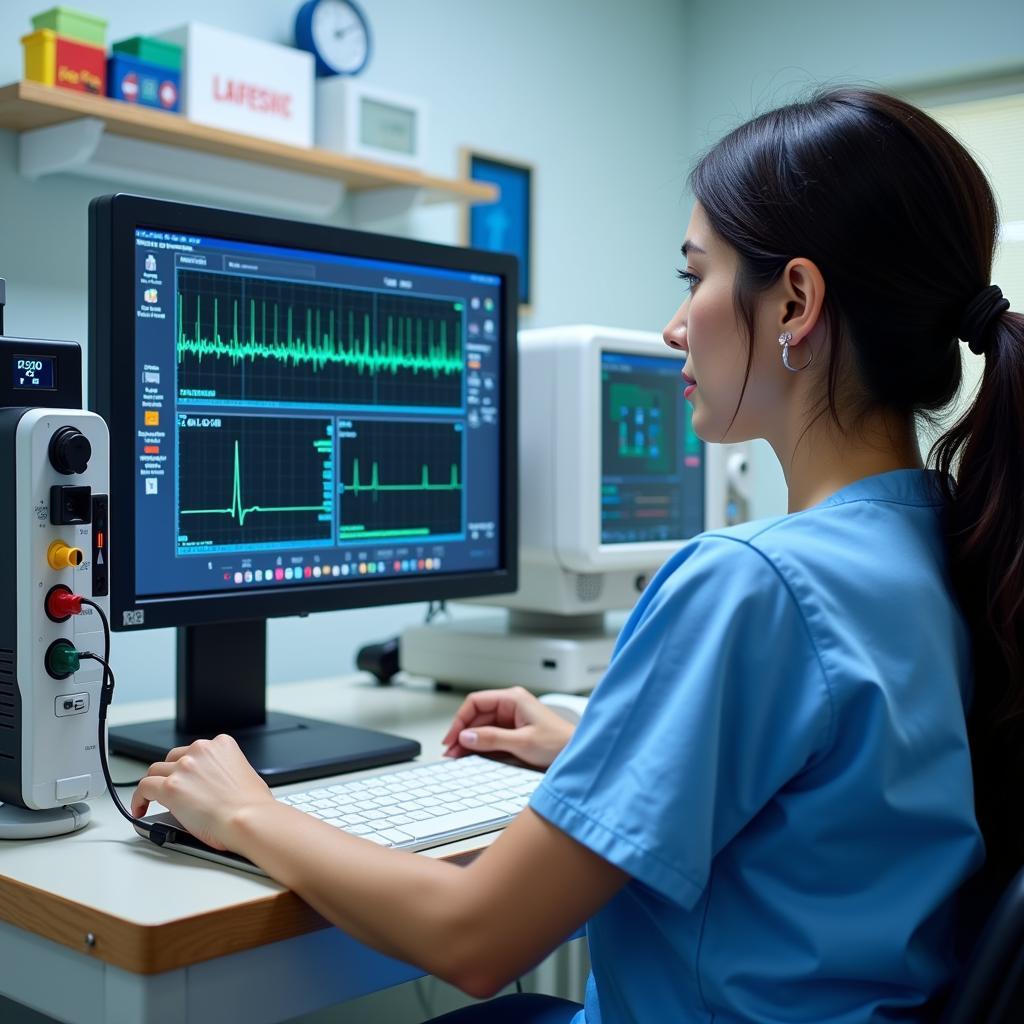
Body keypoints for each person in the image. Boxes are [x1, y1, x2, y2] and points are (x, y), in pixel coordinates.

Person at [131, 86, 1024, 1023]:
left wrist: (245, 811)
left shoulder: (752, 583)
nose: (677, 327)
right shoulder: (945, 535)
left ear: (795, 300)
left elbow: (474, 939)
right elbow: (840, 797)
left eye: (694, 279)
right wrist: (600, 749)